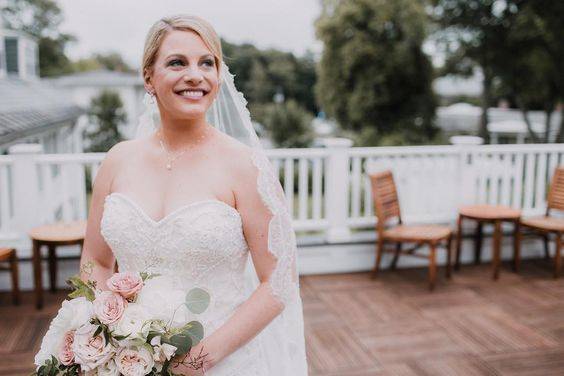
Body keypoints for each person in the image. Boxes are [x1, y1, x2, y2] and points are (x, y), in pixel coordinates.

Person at [79, 14, 308, 375]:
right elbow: (96, 259)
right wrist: (112, 332)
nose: (195, 75)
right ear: (149, 77)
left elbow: (278, 282)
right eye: (177, 62)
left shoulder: (245, 167)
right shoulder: (116, 161)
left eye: (207, 63)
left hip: (224, 360)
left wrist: (195, 363)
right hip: (129, 363)